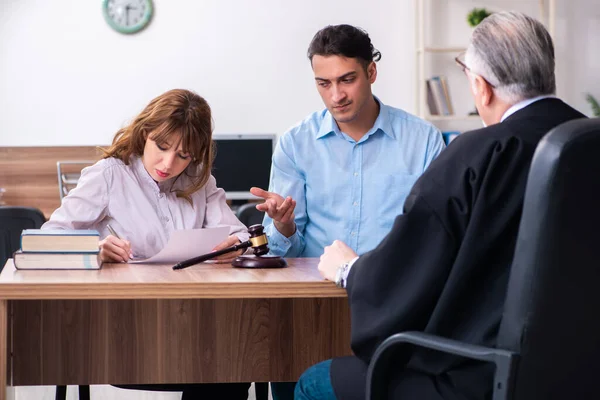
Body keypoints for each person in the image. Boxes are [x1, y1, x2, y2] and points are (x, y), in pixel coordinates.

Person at [296, 11, 587, 400]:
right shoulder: (588, 144)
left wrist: (351, 270)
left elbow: (412, 268)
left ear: (481, 87)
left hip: (479, 374)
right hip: (579, 371)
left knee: (313, 382)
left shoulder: (477, 154)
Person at [250, 24, 445, 399]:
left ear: (371, 72)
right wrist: (284, 226)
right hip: (309, 308)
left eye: (347, 79)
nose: (335, 95)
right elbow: (279, 254)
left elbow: (432, 244)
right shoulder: (296, 143)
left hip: (391, 308)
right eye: (323, 83)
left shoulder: (422, 141)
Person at [43, 88, 252, 399]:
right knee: (220, 364)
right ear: (145, 133)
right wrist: (94, 249)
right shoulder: (110, 175)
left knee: (232, 366)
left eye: (184, 155)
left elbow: (241, 234)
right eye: (162, 146)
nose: (168, 163)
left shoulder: (200, 181)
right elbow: (49, 237)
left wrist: (236, 242)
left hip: (195, 320)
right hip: (130, 327)